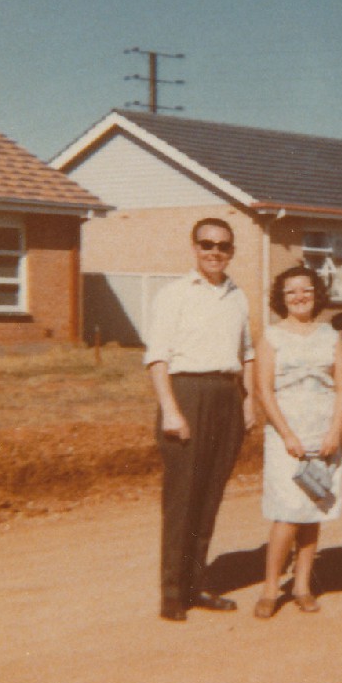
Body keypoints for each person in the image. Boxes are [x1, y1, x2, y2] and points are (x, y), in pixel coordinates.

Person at [144, 218, 257, 622]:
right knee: (182, 500)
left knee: (209, 497)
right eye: (207, 244)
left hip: (228, 395)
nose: (214, 252)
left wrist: (248, 401)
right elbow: (157, 357)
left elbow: (247, 352)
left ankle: (196, 586)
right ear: (194, 248)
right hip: (187, 394)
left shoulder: (237, 296)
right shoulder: (174, 295)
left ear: (232, 251)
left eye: (223, 246)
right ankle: (172, 594)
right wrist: (171, 410)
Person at [252, 266, 342, 619]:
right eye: (291, 291)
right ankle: (270, 588)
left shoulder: (330, 335)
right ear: (282, 298)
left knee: (312, 511)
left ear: (316, 293)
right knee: (287, 513)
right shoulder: (272, 336)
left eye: (306, 290)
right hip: (286, 436)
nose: (299, 297)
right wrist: (288, 435)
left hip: (323, 435)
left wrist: (334, 432)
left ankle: (302, 585)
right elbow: (263, 390)